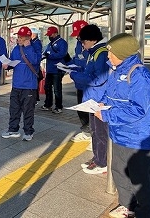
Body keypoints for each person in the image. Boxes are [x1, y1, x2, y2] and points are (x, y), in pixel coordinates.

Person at [94, 33, 150, 218]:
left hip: (138, 137)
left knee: (141, 180)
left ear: (121, 53)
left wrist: (107, 114)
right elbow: (111, 95)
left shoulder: (140, 75)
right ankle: (127, 206)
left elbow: (138, 109)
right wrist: (102, 104)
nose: (107, 56)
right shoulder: (116, 70)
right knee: (119, 170)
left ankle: (146, 213)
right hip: (119, 133)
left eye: (110, 52)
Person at [69, 24, 109, 174]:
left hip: (99, 100)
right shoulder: (95, 52)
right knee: (94, 130)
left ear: (92, 40)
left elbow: (98, 79)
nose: (82, 46)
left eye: (83, 42)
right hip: (93, 98)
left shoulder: (101, 53)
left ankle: (102, 162)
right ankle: (97, 157)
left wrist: (75, 75)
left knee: (100, 132)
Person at [2, 27, 41, 141]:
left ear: (27, 38)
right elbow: (12, 61)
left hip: (29, 85)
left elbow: (35, 60)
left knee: (28, 110)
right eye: (18, 37)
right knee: (14, 108)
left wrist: (28, 47)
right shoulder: (16, 49)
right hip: (16, 84)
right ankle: (13, 129)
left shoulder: (35, 47)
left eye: (21, 37)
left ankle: (28, 131)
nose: (18, 39)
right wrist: (7, 65)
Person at [68, 20, 91, 142]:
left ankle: (93, 134)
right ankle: (86, 131)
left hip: (90, 84)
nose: (77, 37)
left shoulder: (94, 46)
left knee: (91, 110)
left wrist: (75, 73)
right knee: (81, 108)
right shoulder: (79, 43)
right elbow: (77, 58)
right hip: (80, 83)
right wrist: (69, 65)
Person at [41, 26, 68, 114]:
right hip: (50, 69)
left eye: (50, 34)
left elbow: (62, 54)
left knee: (57, 89)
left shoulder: (62, 43)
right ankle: (48, 104)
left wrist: (50, 56)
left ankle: (58, 106)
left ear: (55, 33)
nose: (49, 36)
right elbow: (46, 53)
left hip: (58, 69)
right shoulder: (50, 44)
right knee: (47, 87)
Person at [30, 27, 43, 104]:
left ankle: (35, 98)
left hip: (35, 67)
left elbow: (37, 56)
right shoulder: (33, 42)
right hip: (33, 66)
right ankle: (35, 98)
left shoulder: (36, 43)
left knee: (34, 83)